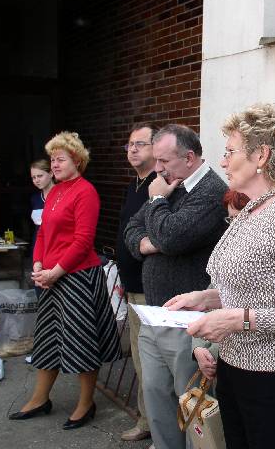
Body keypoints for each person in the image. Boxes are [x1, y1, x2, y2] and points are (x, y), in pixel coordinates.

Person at [165, 103, 275, 449]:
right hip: (234, 373)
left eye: (230, 152)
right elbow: (256, 288)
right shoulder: (250, 210)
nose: (223, 161)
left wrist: (237, 320)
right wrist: (205, 298)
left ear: (261, 155)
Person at [124, 124, 228, 449]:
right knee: (156, 397)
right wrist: (148, 243)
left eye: (164, 161)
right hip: (154, 314)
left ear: (189, 157)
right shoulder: (171, 185)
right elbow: (132, 228)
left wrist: (157, 202)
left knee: (192, 404)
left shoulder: (210, 192)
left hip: (188, 321)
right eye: (156, 160)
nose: (158, 169)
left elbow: (171, 236)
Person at [9, 132, 121, 430]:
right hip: (51, 277)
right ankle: (39, 399)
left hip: (78, 278)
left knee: (82, 341)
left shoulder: (86, 192)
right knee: (47, 339)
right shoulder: (55, 191)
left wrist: (54, 271)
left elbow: (83, 241)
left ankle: (86, 403)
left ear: (77, 161)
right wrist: (37, 263)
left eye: (60, 159)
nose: (54, 165)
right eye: (52, 160)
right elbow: (44, 233)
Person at [117, 124, 156, 442]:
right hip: (131, 285)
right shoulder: (134, 185)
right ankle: (147, 422)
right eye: (130, 144)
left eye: (140, 144)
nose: (132, 149)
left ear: (156, 148)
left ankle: (160, 429)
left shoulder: (160, 186)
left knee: (151, 365)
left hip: (150, 289)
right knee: (140, 362)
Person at [192, 189, 250, 380]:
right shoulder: (229, 252)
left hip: (253, 365)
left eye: (239, 218)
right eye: (231, 220)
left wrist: (212, 352)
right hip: (224, 362)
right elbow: (212, 301)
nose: (234, 227)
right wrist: (199, 348)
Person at [29, 159, 55, 249]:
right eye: (33, 177)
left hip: (56, 247)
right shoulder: (35, 199)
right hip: (38, 247)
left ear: (51, 174)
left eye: (40, 176)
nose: (36, 180)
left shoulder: (63, 195)